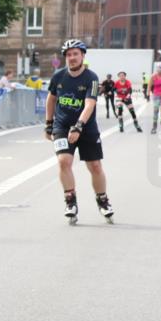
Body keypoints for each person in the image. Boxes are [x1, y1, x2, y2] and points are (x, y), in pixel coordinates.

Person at [45, 39, 113, 224]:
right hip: (62, 126)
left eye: (75, 54)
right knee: (63, 161)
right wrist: (49, 124)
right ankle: (70, 201)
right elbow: (51, 100)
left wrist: (79, 126)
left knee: (95, 166)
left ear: (82, 56)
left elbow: (89, 103)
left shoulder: (91, 77)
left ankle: (102, 199)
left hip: (85, 126)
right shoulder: (58, 77)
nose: (72, 58)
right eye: (68, 55)